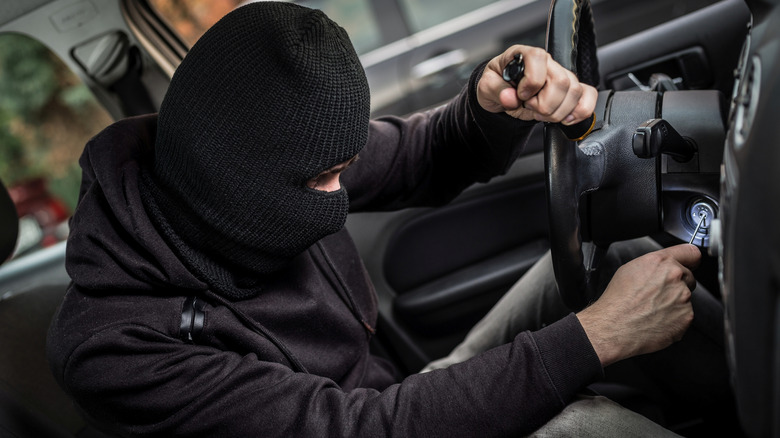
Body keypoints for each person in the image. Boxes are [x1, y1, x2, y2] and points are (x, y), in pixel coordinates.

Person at [46, 2, 728, 436]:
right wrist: (598, 337)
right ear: (239, 190)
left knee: (623, 258)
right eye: (327, 178)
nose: (345, 187)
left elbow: (420, 153)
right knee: (586, 427)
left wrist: (489, 104)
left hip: (397, 398)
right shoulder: (115, 348)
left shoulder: (263, 156)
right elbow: (355, 430)